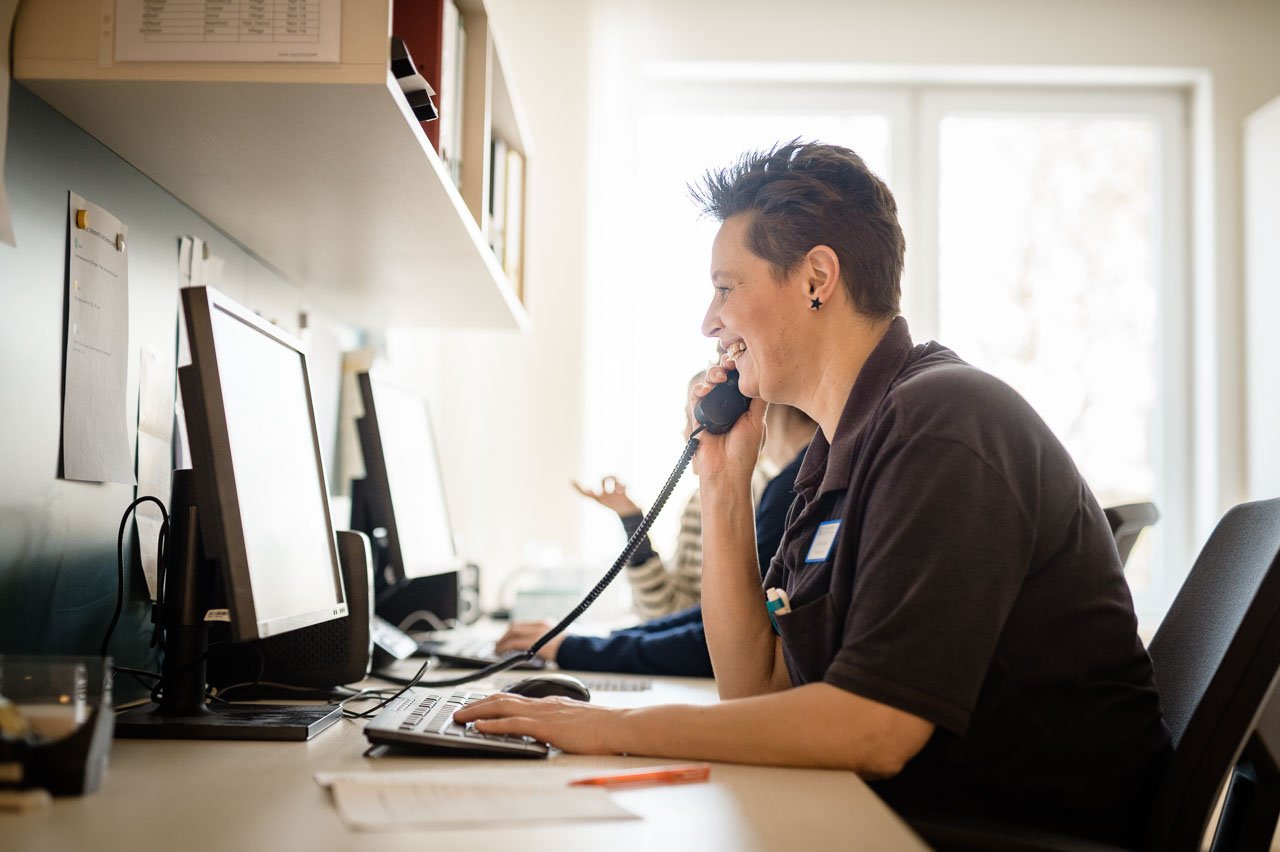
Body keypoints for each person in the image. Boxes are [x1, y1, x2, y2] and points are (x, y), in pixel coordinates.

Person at [457, 141, 1171, 845]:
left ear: (816, 279)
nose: (709, 322)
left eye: (726, 288)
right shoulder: (837, 453)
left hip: (1023, 833)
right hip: (931, 813)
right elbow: (756, 690)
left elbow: (874, 730)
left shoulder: (943, 424)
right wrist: (724, 482)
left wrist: (609, 729)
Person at [498, 403, 815, 677]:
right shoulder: (792, 479)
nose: (687, 433)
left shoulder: (775, 489)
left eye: (695, 417)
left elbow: (730, 628)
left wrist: (580, 648)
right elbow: (700, 612)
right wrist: (590, 642)